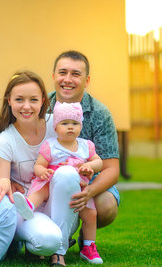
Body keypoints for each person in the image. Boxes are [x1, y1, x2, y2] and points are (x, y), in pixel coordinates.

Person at [0, 70, 69, 267]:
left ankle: (60, 252)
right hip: (28, 210)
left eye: (33, 99)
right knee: (47, 240)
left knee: (67, 174)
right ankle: (40, 245)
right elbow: (1, 181)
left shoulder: (56, 125)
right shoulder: (6, 139)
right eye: (19, 99)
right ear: (9, 101)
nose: (26, 106)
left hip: (59, 204)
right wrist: (5, 181)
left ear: (43, 100)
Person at [13, 101, 104, 264]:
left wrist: (89, 165)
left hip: (79, 186)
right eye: (65, 123)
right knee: (42, 190)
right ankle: (28, 206)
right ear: (55, 127)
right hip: (52, 180)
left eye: (75, 123)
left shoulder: (86, 146)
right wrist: (43, 172)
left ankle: (89, 246)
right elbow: (38, 165)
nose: (71, 127)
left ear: (81, 126)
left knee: (90, 213)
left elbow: (99, 162)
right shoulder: (51, 145)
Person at [48, 50, 120, 242]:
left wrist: (89, 192)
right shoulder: (41, 106)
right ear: (54, 76)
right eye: (63, 73)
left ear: (87, 80)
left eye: (76, 74)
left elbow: (112, 169)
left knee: (106, 206)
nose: (68, 79)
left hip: (90, 178)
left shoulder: (100, 114)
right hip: (48, 174)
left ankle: (85, 234)